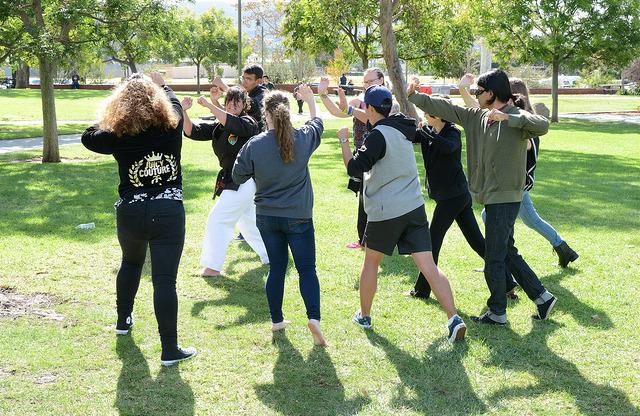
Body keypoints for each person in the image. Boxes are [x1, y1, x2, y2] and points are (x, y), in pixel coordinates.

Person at [408, 69, 557, 325]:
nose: (475, 95)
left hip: (507, 196)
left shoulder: (515, 117)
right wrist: (415, 95)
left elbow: (542, 125)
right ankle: (542, 297)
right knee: (504, 251)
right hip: (490, 195)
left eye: (478, 91)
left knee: (494, 257)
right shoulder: (476, 116)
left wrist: (509, 118)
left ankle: (497, 311)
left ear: (492, 93)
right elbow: (444, 107)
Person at [81, 72, 196, 366]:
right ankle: (169, 349)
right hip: (168, 211)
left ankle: (123, 320)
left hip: (131, 212)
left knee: (130, 264)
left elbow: (87, 136)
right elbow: (174, 104)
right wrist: (162, 85)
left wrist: (113, 116)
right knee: (164, 280)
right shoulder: (173, 126)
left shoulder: (117, 135)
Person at [337, 85, 466, 342]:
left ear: (372, 109)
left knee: (371, 263)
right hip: (414, 207)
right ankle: (454, 318)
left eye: (366, 108)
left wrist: (343, 140)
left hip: (386, 211)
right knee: (429, 266)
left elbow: (354, 167)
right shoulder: (405, 127)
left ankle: (364, 315)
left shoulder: (377, 136)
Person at [232, 85, 327, 346]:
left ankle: (276, 320)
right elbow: (317, 123)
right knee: (307, 269)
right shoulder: (302, 137)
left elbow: (237, 175)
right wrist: (310, 100)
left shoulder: (255, 144)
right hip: (298, 216)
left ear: (265, 113)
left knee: (276, 268)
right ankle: (314, 319)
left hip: (267, 216)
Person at [458, 75, 579, 268]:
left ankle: (504, 260)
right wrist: (464, 90)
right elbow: (476, 108)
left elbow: (527, 143)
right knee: (513, 220)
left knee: (525, 220)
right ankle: (559, 249)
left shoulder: (520, 119)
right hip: (507, 183)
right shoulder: (507, 114)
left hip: (515, 183)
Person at [406, 95, 518, 300]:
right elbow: (411, 135)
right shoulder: (428, 131)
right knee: (477, 241)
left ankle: (422, 290)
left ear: (438, 115)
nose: (424, 114)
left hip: (454, 197)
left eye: (428, 111)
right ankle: (509, 282)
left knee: (432, 241)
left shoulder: (452, 133)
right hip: (452, 197)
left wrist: (425, 133)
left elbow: (448, 147)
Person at [181, 86, 269, 277]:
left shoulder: (249, 123)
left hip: (245, 180)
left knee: (218, 220)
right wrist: (184, 112)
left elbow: (233, 124)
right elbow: (191, 131)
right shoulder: (219, 126)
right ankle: (272, 255)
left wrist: (210, 105)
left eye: (237, 101)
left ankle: (212, 267)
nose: (232, 105)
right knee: (249, 223)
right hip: (232, 180)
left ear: (245, 104)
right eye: (229, 101)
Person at [318, 68, 387, 250]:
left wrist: (348, 108)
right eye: (364, 82)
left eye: (370, 81)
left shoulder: (388, 102)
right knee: (365, 197)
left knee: (381, 196)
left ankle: (384, 236)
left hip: (382, 154)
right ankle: (364, 239)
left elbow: (369, 118)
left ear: (381, 80)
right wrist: (322, 95)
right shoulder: (360, 100)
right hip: (363, 154)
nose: (366, 85)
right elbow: (339, 111)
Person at [213, 64, 268, 132]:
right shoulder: (247, 91)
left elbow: (251, 105)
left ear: (259, 81)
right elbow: (229, 114)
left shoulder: (264, 94)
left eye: (248, 79)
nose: (244, 82)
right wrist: (214, 100)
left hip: (256, 139)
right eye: (243, 78)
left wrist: (223, 86)